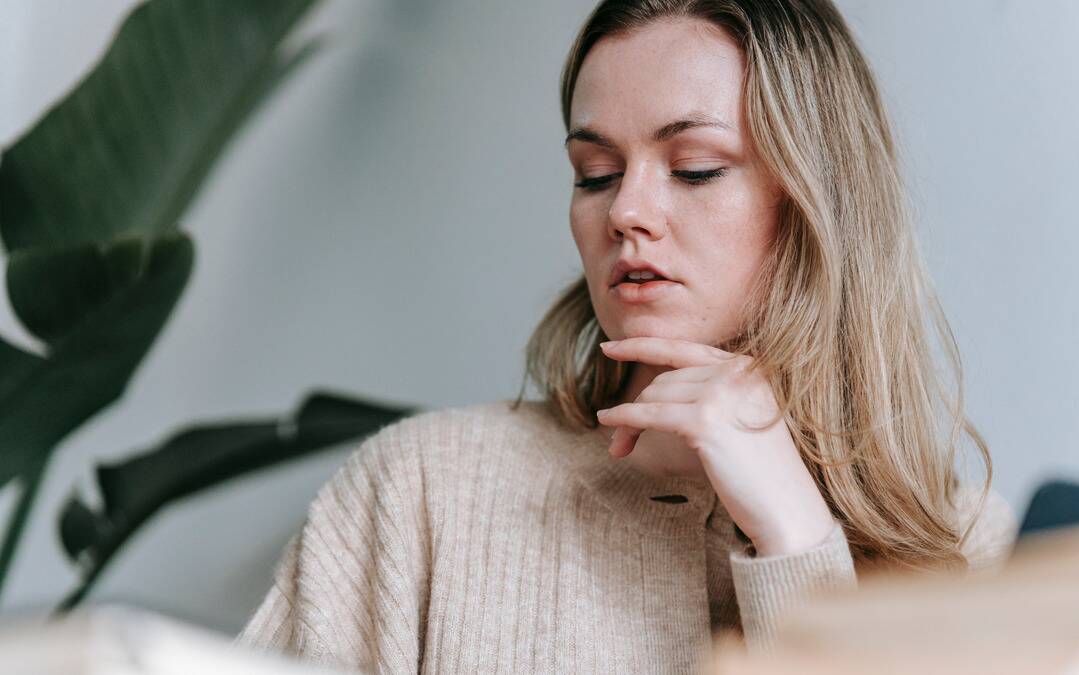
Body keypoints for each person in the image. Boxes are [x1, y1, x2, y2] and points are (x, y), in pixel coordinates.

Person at [235, 1, 1017, 672]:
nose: (625, 211)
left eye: (696, 167)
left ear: (818, 200)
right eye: (596, 173)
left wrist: (797, 537)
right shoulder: (417, 492)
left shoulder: (969, 549)